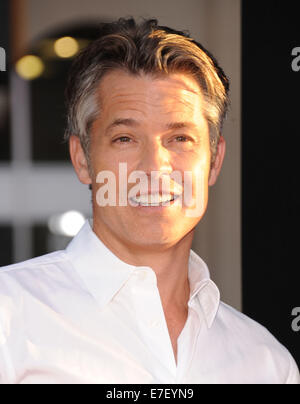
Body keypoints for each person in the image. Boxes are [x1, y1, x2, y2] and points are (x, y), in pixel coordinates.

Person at [0, 17, 299, 384]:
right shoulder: (9, 317)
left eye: (180, 139)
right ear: (82, 159)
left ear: (214, 161)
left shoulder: (267, 364)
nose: (155, 167)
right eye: (125, 138)